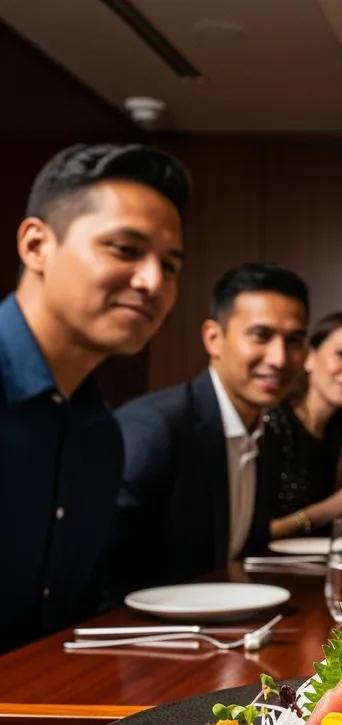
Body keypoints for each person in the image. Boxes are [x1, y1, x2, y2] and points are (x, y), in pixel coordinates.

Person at [0, 143, 188, 653]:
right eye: (126, 250)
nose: (152, 282)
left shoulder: (101, 433)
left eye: (170, 266)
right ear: (37, 245)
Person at [112, 263, 308, 592]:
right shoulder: (155, 428)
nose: (279, 358)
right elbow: (103, 583)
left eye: (294, 340)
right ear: (214, 339)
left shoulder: (268, 436)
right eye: (261, 336)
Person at [263, 311, 342, 539]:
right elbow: (251, 535)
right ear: (309, 357)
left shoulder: (332, 434)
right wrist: (327, 510)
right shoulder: (273, 423)